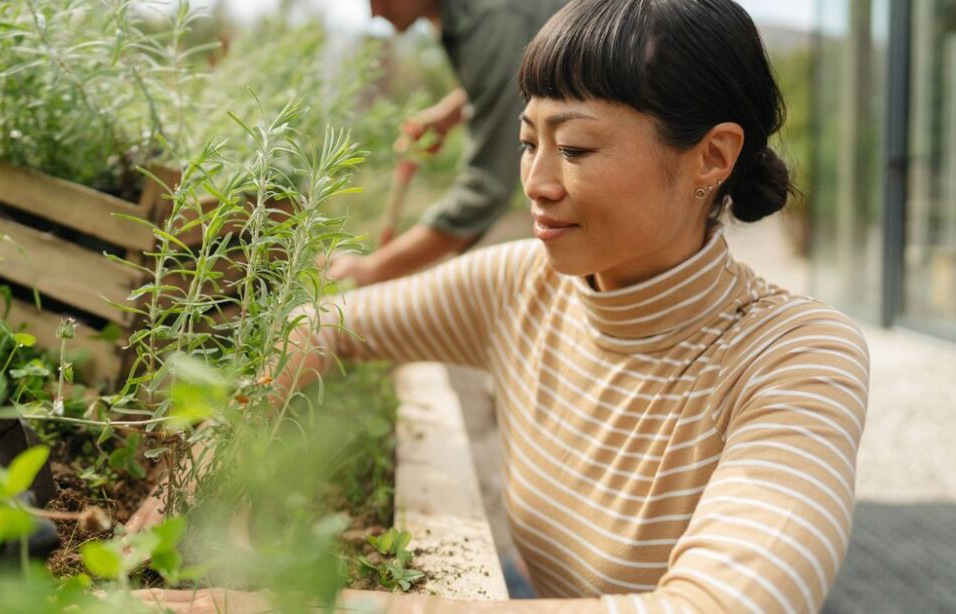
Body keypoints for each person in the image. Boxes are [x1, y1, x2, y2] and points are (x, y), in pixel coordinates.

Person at [134, 0, 870, 610]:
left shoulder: (798, 355)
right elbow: (318, 324)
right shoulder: (520, 284)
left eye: (576, 150)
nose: (538, 182)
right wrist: (213, 485)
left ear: (712, 157)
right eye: (527, 142)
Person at [326, 0, 566, 287]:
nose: (374, 12)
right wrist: (448, 116)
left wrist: (374, 268)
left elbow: (486, 187)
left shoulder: (492, 18)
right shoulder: (469, 16)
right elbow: (514, 73)